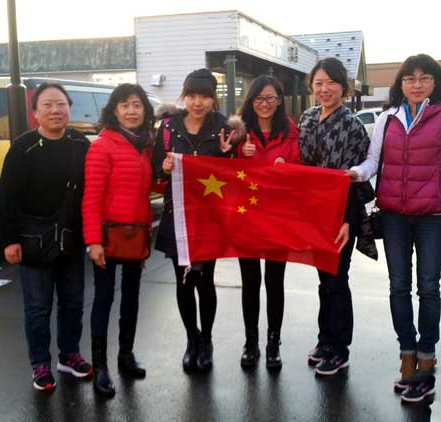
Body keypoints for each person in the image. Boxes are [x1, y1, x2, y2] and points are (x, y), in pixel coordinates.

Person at [346, 54, 441, 403]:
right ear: (401, 84)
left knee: (428, 287)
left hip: (433, 217)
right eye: (410, 78)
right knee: (398, 286)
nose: (416, 84)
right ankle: (406, 354)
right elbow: (373, 161)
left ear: (435, 82)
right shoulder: (387, 117)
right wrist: (356, 173)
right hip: (393, 215)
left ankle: (426, 358)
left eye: (424, 78)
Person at [0, 82, 92, 391]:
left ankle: (69, 355)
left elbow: (93, 189)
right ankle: (39, 363)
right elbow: (6, 197)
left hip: (72, 238)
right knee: (38, 308)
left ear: (69, 109)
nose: (55, 110)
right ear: (35, 112)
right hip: (33, 239)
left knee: (73, 303)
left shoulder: (80, 143)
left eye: (61, 104)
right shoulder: (22, 147)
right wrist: (9, 240)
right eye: (47, 105)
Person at [153, 68, 238, 372]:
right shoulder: (168, 127)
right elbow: (155, 170)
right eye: (191, 95)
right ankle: (192, 339)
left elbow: (235, 177)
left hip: (209, 217)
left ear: (213, 98)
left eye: (204, 96)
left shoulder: (224, 128)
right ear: (184, 96)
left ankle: (207, 340)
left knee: (205, 280)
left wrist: (228, 156)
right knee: (184, 281)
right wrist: (164, 168)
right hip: (176, 214)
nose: (197, 102)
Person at [298, 58, 375, 377]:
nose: (324, 89)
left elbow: (353, 179)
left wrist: (346, 220)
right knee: (323, 280)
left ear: (344, 87)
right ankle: (325, 339)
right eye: (318, 83)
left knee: (337, 279)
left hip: (342, 213)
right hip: (313, 212)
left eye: (331, 82)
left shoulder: (352, 125)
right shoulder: (307, 118)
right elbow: (301, 166)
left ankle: (339, 348)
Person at [82, 83, 155, 397]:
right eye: (124, 105)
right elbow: (91, 197)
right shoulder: (102, 145)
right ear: (114, 110)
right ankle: (100, 366)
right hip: (107, 236)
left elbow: (151, 189)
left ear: (145, 110)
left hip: (136, 235)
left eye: (137, 105)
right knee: (103, 299)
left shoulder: (146, 145)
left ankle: (126, 355)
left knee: (132, 298)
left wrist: (166, 171)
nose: (131, 111)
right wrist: (93, 241)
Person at [235, 75, 300, 370]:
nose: (265, 104)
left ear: (279, 100)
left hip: (277, 217)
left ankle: (274, 342)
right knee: (250, 282)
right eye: (259, 98)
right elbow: (223, 166)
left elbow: (301, 166)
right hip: (247, 217)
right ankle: (251, 342)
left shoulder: (290, 130)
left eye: (271, 98)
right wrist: (239, 152)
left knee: (275, 282)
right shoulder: (239, 131)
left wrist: (288, 167)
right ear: (251, 101)